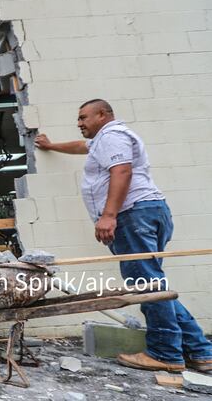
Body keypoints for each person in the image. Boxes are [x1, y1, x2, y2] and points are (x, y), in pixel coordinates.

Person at [36, 99, 212, 373]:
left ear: (102, 115)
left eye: (84, 118)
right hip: (144, 213)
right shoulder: (103, 140)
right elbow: (81, 146)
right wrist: (51, 146)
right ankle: (201, 352)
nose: (80, 123)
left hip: (133, 215)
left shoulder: (112, 136)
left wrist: (108, 215)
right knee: (154, 285)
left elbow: (121, 171)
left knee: (148, 286)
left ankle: (165, 353)